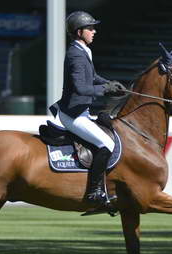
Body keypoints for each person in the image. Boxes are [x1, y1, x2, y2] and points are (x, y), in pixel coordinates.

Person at [50, 11, 126, 207]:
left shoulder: (83, 50)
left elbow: (92, 77)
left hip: (80, 111)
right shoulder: (75, 54)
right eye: (90, 28)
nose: (94, 31)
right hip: (73, 115)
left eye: (93, 28)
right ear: (78, 32)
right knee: (106, 144)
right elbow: (81, 88)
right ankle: (95, 192)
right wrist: (105, 89)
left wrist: (111, 84)